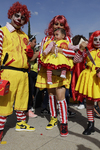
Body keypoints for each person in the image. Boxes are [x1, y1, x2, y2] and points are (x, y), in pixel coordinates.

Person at [35, 15, 87, 136]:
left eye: (61, 24)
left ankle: (63, 122)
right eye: (56, 24)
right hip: (48, 69)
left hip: (62, 70)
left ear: (65, 27)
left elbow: (72, 53)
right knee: (51, 94)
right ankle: (53, 118)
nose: (58, 26)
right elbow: (41, 54)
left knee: (60, 95)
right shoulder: (45, 39)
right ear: (52, 25)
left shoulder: (67, 39)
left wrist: (59, 50)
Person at [0, 2, 35, 141]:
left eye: (23, 17)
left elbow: (29, 57)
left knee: (22, 99)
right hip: (8, 72)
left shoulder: (24, 36)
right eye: (17, 15)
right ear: (11, 14)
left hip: (23, 73)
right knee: (4, 102)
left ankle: (21, 123)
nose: (19, 18)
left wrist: (32, 52)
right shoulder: (2, 31)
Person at [73, 30, 100, 143]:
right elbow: (76, 60)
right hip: (88, 77)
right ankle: (91, 125)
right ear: (92, 40)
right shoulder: (87, 51)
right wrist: (80, 49)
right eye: (95, 39)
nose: (98, 41)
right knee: (89, 102)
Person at [71, 35, 88, 110]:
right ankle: (81, 101)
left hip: (80, 68)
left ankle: (81, 102)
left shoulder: (82, 51)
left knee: (79, 85)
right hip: (81, 68)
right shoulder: (84, 50)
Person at [26, 35, 38, 118]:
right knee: (29, 91)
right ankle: (27, 109)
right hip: (27, 72)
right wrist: (37, 54)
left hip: (28, 72)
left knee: (31, 90)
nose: (35, 43)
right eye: (34, 42)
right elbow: (29, 59)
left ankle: (28, 108)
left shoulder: (30, 49)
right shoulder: (28, 49)